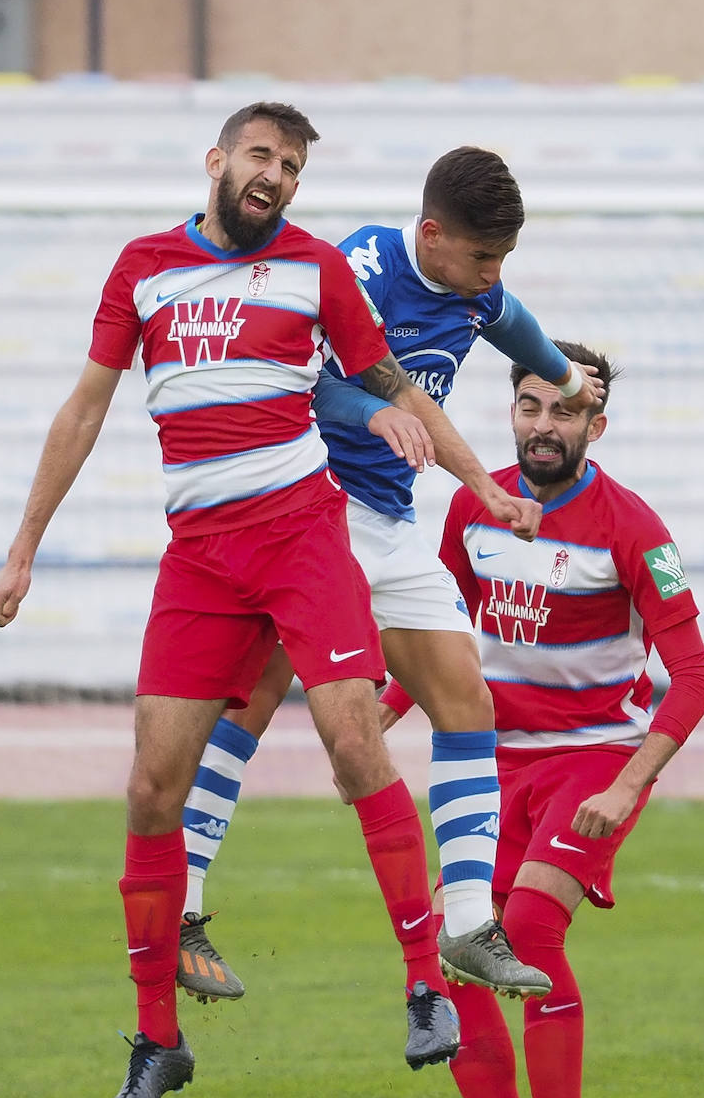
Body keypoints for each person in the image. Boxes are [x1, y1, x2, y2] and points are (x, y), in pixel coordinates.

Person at [0, 105, 545, 1098]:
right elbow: (85, 409)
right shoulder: (144, 267)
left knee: (354, 736)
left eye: (289, 165)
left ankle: (425, 986)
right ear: (217, 161)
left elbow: (388, 382)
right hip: (200, 558)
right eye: (260, 156)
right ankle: (157, 1040)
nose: (274, 174)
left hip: (302, 534)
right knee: (152, 783)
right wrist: (22, 550)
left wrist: (475, 477)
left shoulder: (315, 268)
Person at [173, 149, 603, 1027]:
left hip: (387, 519)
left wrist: (564, 377)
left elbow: (520, 328)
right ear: (433, 236)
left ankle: (471, 923)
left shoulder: (477, 288)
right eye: (483, 257)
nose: (493, 276)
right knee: (251, 698)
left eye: (502, 261)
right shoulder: (359, 270)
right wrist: (394, 424)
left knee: (464, 699)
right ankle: (180, 905)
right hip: (306, 507)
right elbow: (305, 385)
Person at [381, 341, 704, 1098]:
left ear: (596, 427)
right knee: (461, 952)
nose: (543, 424)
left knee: (527, 929)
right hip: (491, 761)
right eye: (531, 405)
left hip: (594, 760)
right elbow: (442, 633)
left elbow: (697, 678)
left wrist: (631, 784)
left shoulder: (634, 528)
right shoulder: (473, 507)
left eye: (564, 411)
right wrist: (379, 712)